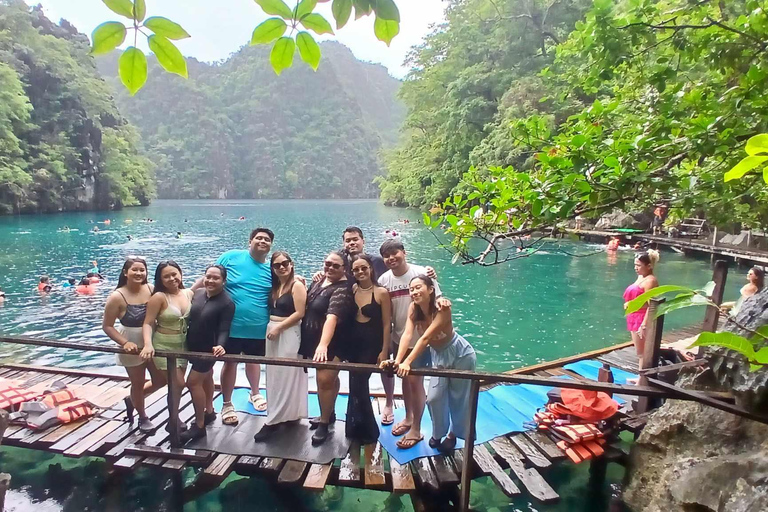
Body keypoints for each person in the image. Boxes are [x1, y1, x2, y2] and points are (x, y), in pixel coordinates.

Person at [193, 228, 274, 426]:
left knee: (254, 361)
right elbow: (210, 278)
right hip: (229, 326)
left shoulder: (271, 269)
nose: (262, 241)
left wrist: (298, 279)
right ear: (250, 242)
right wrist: (189, 293)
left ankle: (255, 393)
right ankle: (227, 403)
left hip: (258, 327)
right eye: (258, 238)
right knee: (230, 363)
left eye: (267, 239)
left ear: (271, 245)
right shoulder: (231, 257)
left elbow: (284, 284)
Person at [389, 275, 476, 451]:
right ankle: (438, 433)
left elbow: (426, 338)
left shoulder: (442, 309)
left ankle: (453, 434)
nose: (413, 292)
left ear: (430, 289)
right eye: (411, 289)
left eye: (418, 287)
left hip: (460, 354)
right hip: (439, 356)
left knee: (459, 398)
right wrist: (397, 361)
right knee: (434, 398)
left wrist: (408, 362)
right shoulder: (413, 308)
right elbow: (407, 334)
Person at [378, 239, 447, 441]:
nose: (391, 258)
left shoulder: (421, 275)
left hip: (425, 339)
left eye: (395, 253)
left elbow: (438, 301)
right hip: (400, 336)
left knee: (417, 382)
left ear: (404, 252)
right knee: (406, 380)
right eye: (387, 256)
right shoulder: (384, 280)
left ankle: (417, 427)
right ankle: (408, 417)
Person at [299, 251, 354, 446]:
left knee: (324, 380)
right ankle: (329, 413)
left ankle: (323, 423)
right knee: (328, 379)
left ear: (344, 269)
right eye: (327, 263)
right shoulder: (320, 281)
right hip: (314, 339)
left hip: (334, 341)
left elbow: (332, 316)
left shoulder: (343, 289)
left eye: (335, 266)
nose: (330, 268)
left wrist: (323, 345)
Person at [102, 257, 163, 431]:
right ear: (125, 272)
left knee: (161, 379)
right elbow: (107, 326)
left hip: (152, 341)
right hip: (131, 343)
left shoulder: (151, 289)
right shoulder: (117, 296)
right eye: (134, 270)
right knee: (138, 382)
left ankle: (133, 399)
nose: (138, 273)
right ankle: (142, 417)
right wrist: (124, 343)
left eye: (142, 270)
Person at [253, 251, 308, 442]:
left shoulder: (297, 285)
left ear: (291, 264)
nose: (282, 267)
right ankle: (288, 414)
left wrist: (279, 328)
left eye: (285, 263)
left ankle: (274, 420)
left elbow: (300, 312)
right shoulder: (276, 286)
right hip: (273, 330)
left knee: (287, 373)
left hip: (288, 331)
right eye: (277, 265)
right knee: (274, 374)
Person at [182, 265, 235, 443]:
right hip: (192, 346)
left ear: (224, 281)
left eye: (216, 278)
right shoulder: (198, 294)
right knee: (206, 378)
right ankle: (210, 411)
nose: (211, 281)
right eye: (208, 277)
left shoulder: (227, 303)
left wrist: (220, 345)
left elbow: (224, 328)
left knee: (192, 382)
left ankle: (199, 426)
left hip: (208, 350)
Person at [345, 254, 391, 444]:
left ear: (371, 269)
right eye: (356, 269)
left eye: (364, 268)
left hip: (372, 345)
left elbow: (388, 324)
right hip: (354, 343)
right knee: (354, 384)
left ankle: (368, 431)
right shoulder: (353, 289)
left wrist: (384, 350)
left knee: (360, 383)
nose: (360, 272)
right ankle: (355, 427)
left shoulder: (381, 293)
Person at [142, 260, 193, 433]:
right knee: (178, 383)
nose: (172, 278)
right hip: (163, 346)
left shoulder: (187, 294)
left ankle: (133, 399)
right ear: (160, 279)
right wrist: (148, 344)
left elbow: (205, 283)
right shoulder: (159, 297)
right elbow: (148, 323)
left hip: (183, 347)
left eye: (174, 274)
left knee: (173, 385)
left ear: (180, 273)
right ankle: (173, 419)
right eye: (166, 276)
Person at [623, 250, 660, 365]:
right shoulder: (641, 277)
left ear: (649, 266)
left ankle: (641, 379)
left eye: (638, 265)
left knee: (642, 353)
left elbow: (651, 305)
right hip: (633, 316)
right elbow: (638, 297)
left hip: (641, 318)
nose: (635, 267)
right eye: (635, 264)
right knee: (640, 352)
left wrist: (644, 324)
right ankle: (640, 376)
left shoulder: (650, 281)